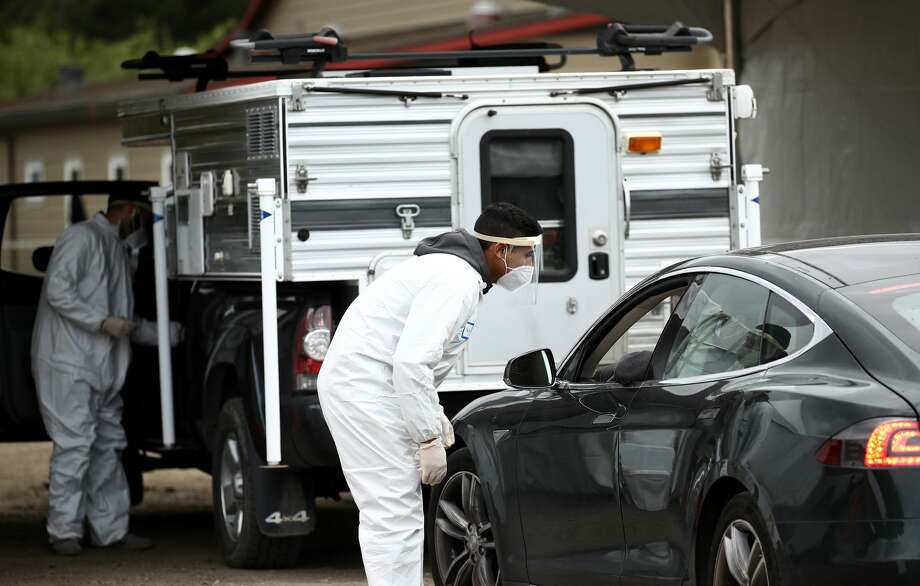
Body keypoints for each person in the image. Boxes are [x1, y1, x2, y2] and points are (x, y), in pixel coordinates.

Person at [318, 202, 543, 585]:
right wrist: (425, 437)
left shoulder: (456, 274)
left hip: (371, 387)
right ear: (500, 250)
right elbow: (411, 362)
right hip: (367, 390)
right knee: (393, 511)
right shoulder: (455, 281)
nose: (530, 263)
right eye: (526, 253)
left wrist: (432, 414)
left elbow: (415, 362)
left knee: (392, 510)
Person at [31, 191, 181, 556]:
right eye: (143, 218)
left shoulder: (117, 250)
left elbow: (122, 322)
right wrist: (100, 322)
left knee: (107, 448)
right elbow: (58, 291)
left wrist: (170, 334)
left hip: (102, 366)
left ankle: (110, 530)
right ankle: (63, 531)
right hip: (67, 363)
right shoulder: (81, 238)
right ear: (129, 211)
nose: (144, 228)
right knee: (75, 446)